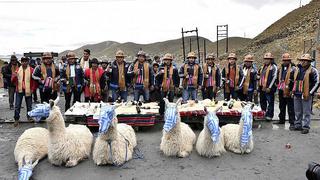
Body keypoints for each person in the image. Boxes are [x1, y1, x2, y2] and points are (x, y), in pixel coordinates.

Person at [292, 54, 319, 134]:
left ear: (309, 62)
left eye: (305, 60)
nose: (303, 62)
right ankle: (298, 125)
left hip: (306, 94)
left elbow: (317, 82)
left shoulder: (313, 70)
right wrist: (292, 91)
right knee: (297, 111)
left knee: (306, 112)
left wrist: (310, 93)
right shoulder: (297, 69)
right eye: (302, 60)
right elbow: (293, 81)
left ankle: (306, 127)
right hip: (297, 93)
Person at [11, 57, 35, 127]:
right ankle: (16, 119)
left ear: (28, 62)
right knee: (17, 105)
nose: (24, 62)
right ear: (21, 62)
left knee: (29, 105)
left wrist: (32, 89)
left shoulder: (32, 70)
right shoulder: (17, 70)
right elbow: (12, 81)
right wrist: (15, 76)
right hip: (19, 90)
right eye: (23, 61)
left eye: (25, 61)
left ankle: (30, 117)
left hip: (28, 89)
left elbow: (33, 81)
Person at [274, 53, 296, 128]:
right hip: (281, 89)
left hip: (289, 90)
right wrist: (277, 83)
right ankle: (281, 120)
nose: (285, 62)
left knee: (290, 107)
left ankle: (292, 122)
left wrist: (292, 90)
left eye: (287, 60)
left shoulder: (293, 68)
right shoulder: (280, 68)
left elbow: (294, 80)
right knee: (281, 106)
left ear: (290, 61)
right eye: (284, 60)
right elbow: (277, 77)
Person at [258, 52, 278, 121]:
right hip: (262, 87)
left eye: (268, 59)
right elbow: (259, 75)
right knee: (262, 101)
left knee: (270, 102)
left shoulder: (274, 67)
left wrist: (270, 87)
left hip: (269, 88)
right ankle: (263, 113)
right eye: (265, 59)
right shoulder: (262, 66)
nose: (266, 60)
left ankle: (269, 115)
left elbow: (274, 77)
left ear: (271, 60)